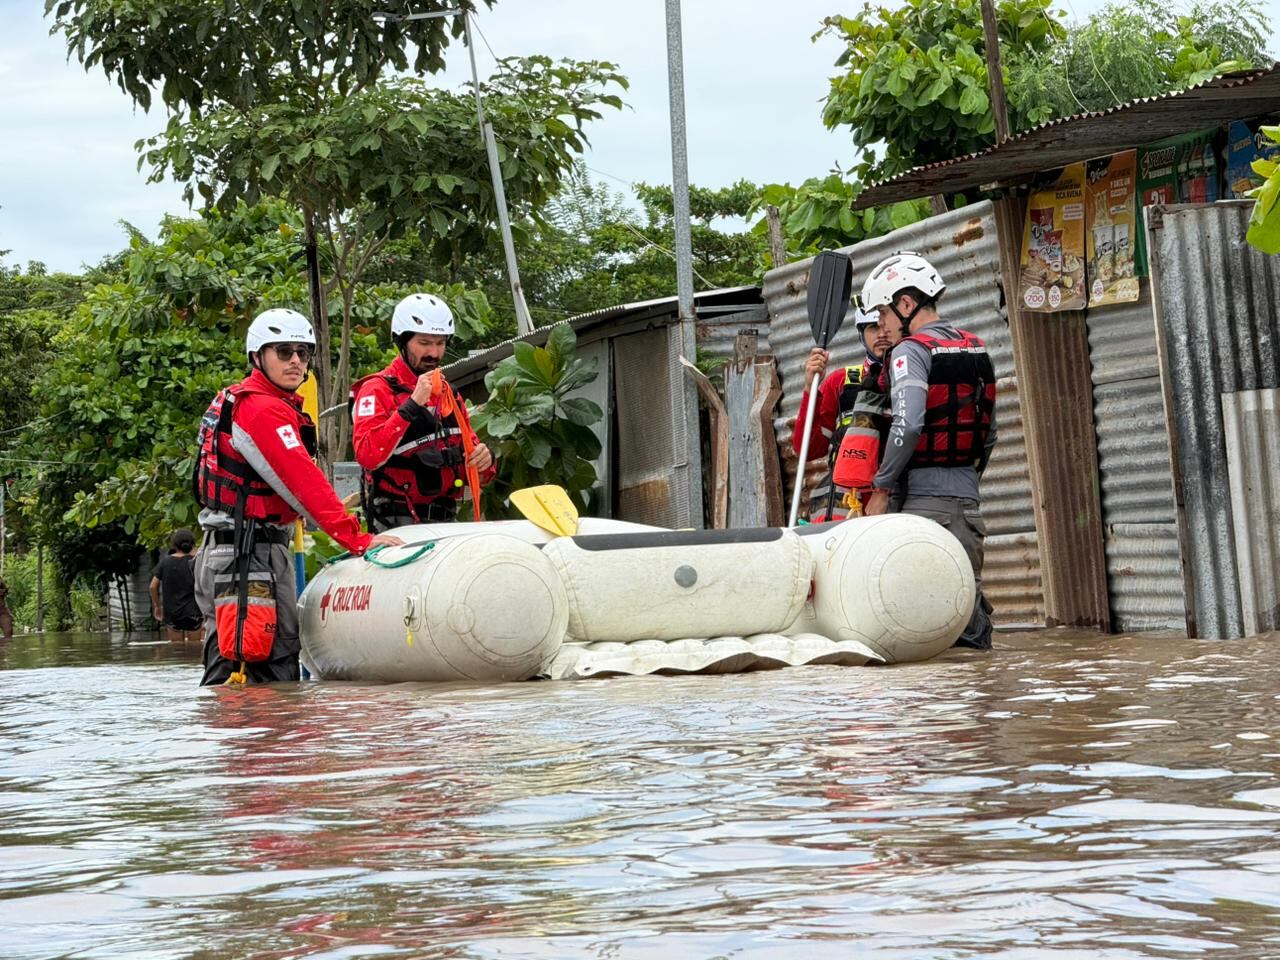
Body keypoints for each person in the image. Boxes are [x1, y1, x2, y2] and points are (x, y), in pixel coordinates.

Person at [193, 308, 402, 686]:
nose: (295, 361)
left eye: (303, 353)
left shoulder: (253, 402)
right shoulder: (261, 409)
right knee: (264, 669)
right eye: (284, 351)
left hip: (239, 553)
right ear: (258, 357)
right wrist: (358, 539)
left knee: (237, 668)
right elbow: (305, 484)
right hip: (248, 558)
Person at [860, 252, 997, 650]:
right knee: (968, 620)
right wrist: (965, 479)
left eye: (883, 315)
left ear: (905, 305)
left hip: (921, 507)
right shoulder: (977, 348)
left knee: (920, 621)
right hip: (967, 506)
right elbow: (989, 433)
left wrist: (882, 488)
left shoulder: (910, 352)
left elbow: (908, 424)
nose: (881, 327)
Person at [351, 293, 495, 531]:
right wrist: (411, 406)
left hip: (446, 521)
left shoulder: (449, 394)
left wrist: (485, 460)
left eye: (440, 343)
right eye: (425, 343)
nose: (434, 354)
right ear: (402, 342)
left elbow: (479, 469)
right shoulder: (377, 390)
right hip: (396, 524)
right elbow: (368, 455)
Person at [791, 308, 900, 521]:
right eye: (872, 327)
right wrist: (809, 388)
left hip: (899, 498)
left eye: (886, 327)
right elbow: (808, 448)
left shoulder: (914, 377)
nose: (881, 334)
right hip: (849, 504)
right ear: (861, 334)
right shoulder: (840, 382)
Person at [150, 528, 203, 643]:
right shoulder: (197, 561)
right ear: (192, 544)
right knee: (196, 648)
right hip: (194, 612)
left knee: (176, 649)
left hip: (172, 613)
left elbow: (152, 587)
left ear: (174, 545)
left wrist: (158, 606)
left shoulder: (165, 562)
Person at [0, 574, 12, 639]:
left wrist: (4, 591)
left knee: (8, 636)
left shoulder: (1, 581)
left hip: (2, 610)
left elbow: (6, 591)